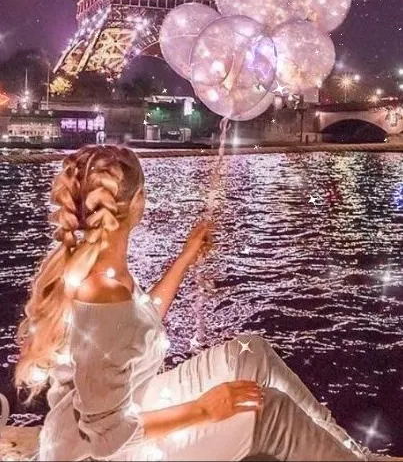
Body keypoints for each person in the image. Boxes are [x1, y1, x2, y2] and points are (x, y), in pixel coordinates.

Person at [14, 146, 385, 461]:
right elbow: (106, 435)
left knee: (249, 353)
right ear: (136, 203)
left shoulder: (102, 274)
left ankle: (351, 452)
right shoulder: (100, 290)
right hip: (104, 451)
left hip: (117, 412)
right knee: (267, 410)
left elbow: (133, 325)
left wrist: (186, 256)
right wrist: (205, 409)